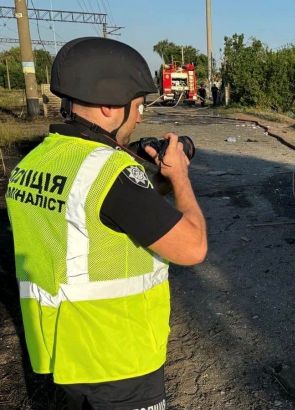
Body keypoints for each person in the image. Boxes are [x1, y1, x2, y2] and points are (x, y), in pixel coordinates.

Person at [5, 37, 207, 409]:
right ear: (110, 106)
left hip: (61, 353)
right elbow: (192, 248)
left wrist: (150, 182)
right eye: (139, 105)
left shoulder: (35, 163)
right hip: (117, 361)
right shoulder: (110, 174)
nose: (141, 116)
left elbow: (90, 220)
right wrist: (179, 177)